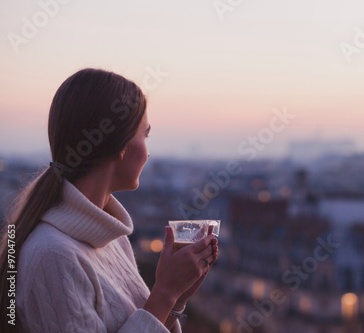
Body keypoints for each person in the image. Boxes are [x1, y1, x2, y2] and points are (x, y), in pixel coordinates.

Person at [0, 68, 218, 333]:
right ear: (121, 146)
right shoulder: (53, 256)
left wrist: (177, 298)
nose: (149, 153)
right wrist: (165, 292)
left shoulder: (111, 238)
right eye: (144, 135)